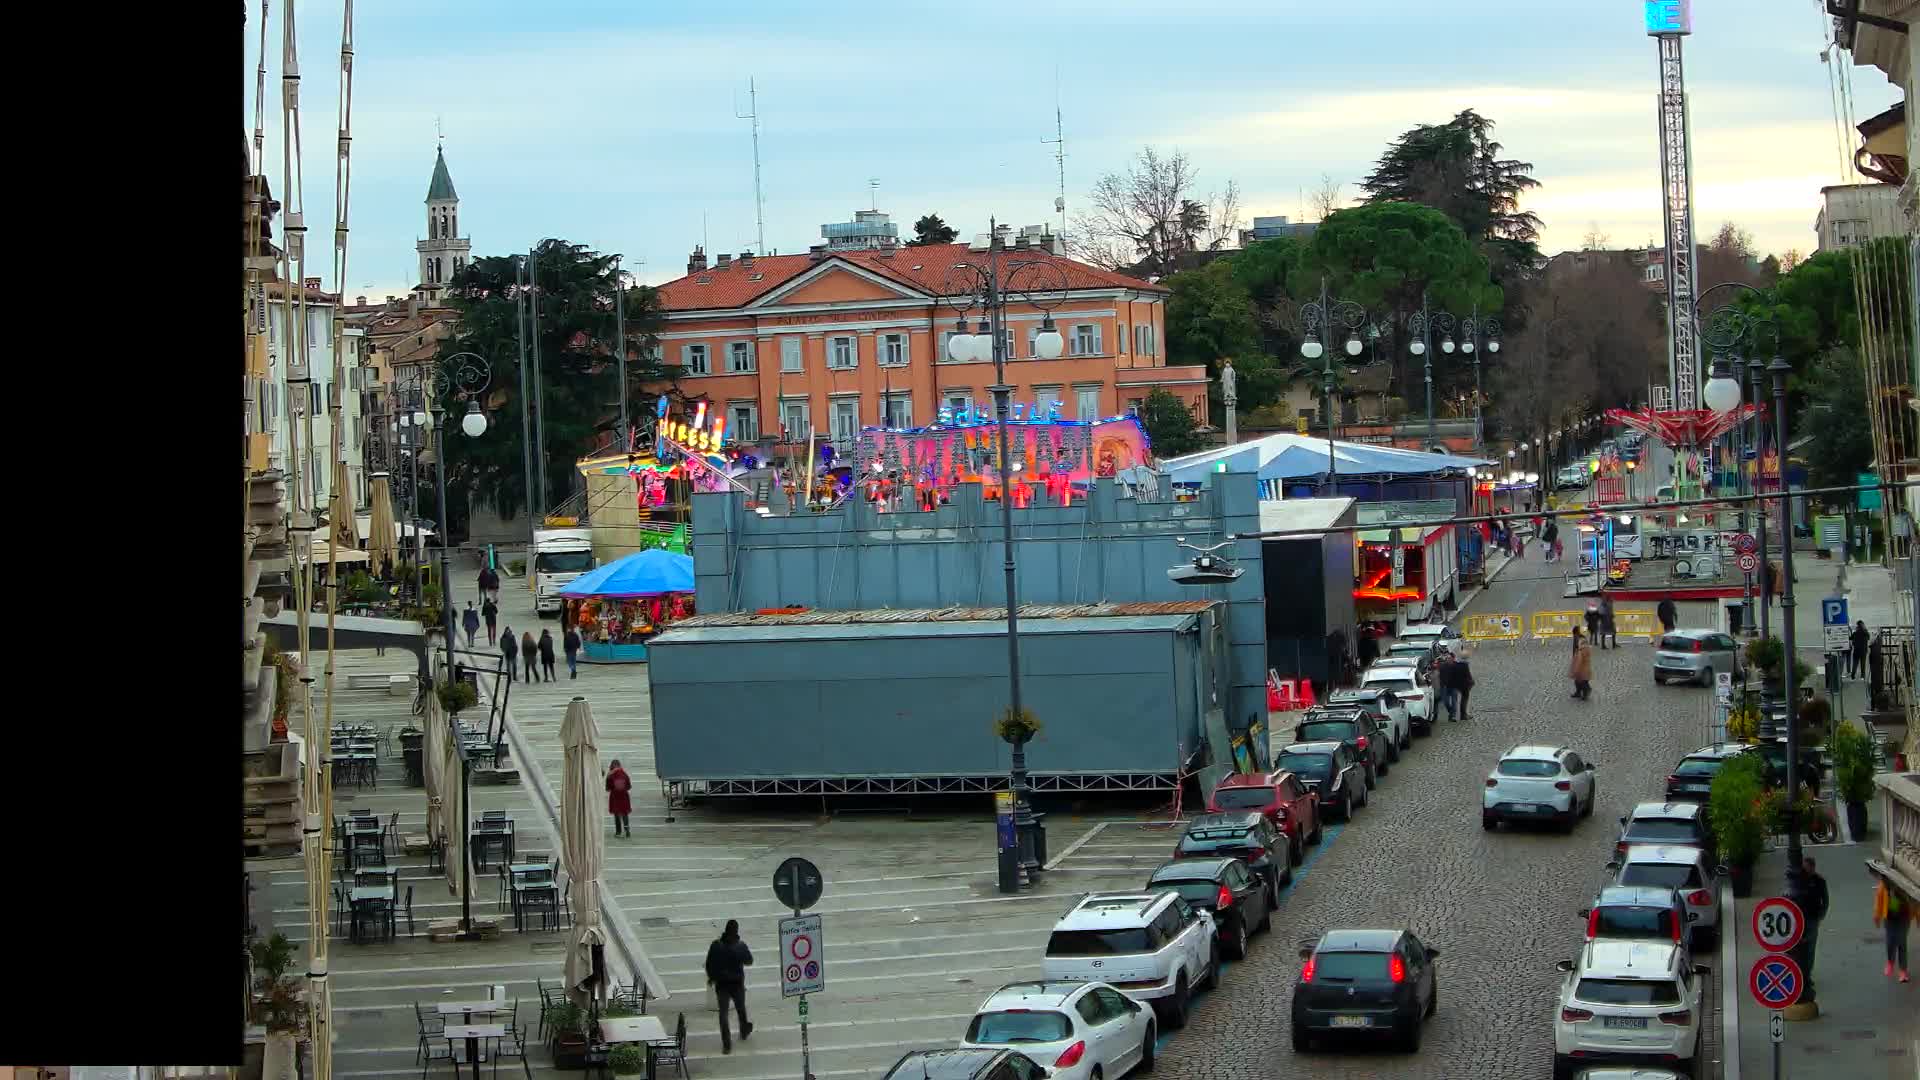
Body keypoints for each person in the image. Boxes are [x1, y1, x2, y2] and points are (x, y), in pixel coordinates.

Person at [705, 920, 755, 1053]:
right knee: (740, 1009)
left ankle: (726, 1044)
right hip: (737, 984)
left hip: (721, 985)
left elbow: (709, 963)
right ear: (736, 931)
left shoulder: (716, 945)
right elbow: (749, 961)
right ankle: (744, 1030)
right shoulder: (740, 946)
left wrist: (712, 977)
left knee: (723, 1014)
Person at [1790, 856, 1830, 997]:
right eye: (1806, 867)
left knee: (1810, 947)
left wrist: (1820, 915)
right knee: (1797, 946)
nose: (1808, 870)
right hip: (1798, 918)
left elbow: (1825, 900)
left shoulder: (1819, 881)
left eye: (1810, 868)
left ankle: (1807, 974)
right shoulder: (1798, 880)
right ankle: (1799, 972)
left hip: (1811, 918)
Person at [1875, 874, 1911, 982]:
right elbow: (1879, 900)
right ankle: (1890, 962)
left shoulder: (1906, 885)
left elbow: (1915, 901)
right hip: (1889, 918)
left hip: (1903, 917)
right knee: (1891, 942)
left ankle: (1903, 971)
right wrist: (1877, 916)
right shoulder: (1884, 884)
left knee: (1901, 942)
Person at [606, 759, 632, 837]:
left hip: (615, 796)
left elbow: (608, 788)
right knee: (624, 813)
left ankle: (618, 832)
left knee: (616, 814)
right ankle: (627, 830)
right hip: (624, 796)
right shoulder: (624, 774)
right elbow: (628, 786)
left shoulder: (610, 775)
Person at [1448, 650, 1475, 722]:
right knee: (1464, 700)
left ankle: (1456, 715)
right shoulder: (1465, 665)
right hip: (1465, 685)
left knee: (1456, 700)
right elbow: (1468, 676)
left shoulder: (1455, 664)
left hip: (1456, 684)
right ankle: (1463, 715)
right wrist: (1472, 682)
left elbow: (1452, 675)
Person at [1431, 650, 1456, 722]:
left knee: (1454, 701)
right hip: (1444, 686)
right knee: (1446, 702)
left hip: (1454, 685)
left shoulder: (1455, 665)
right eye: (1446, 657)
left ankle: (1453, 716)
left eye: (1449, 657)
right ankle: (1451, 712)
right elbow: (1434, 669)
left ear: (1452, 658)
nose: (1447, 658)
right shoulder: (1441, 665)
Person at [1569, 629, 1594, 700]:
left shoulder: (1582, 649)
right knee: (1578, 681)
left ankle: (1586, 692)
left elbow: (1580, 660)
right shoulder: (1581, 647)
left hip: (1582, 668)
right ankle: (1578, 692)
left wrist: (1576, 669)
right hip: (1583, 668)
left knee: (1583, 681)